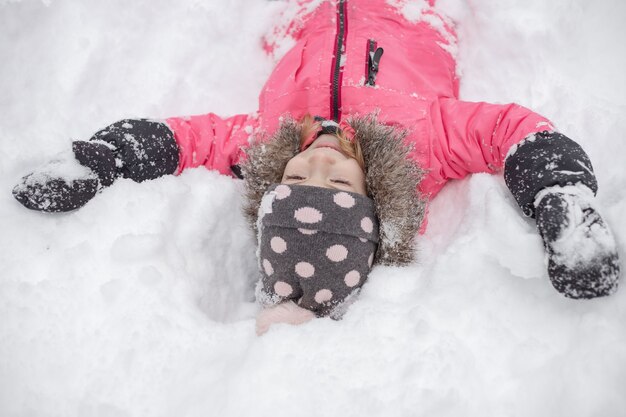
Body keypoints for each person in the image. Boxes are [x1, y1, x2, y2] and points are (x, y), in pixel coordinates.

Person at [12, 0, 620, 334]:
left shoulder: (271, 141)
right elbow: (513, 130)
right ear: (370, 193)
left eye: (298, 180)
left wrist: (96, 160)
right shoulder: (422, 144)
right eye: (338, 182)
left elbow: (182, 140)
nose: (318, 162)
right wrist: (560, 199)